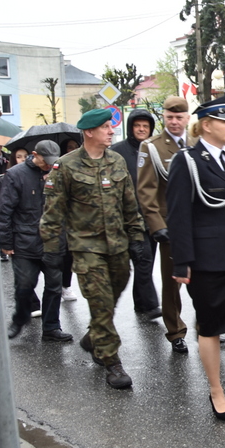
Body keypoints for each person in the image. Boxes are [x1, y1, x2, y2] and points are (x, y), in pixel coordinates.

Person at [167, 95, 225, 421]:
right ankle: (216, 389)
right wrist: (182, 262)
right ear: (207, 125)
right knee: (209, 328)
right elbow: (178, 215)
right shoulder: (188, 161)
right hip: (206, 260)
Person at [40, 108, 145, 389]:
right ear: (89, 132)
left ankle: (93, 337)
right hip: (87, 248)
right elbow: (52, 211)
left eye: (111, 126)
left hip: (118, 246)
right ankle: (112, 362)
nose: (111, 130)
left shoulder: (118, 161)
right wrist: (51, 248)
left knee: (112, 296)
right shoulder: (66, 166)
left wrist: (136, 237)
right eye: (105, 127)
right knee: (99, 301)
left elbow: (129, 204)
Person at [0, 140, 72, 342]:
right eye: (45, 161)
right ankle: (20, 319)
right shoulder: (15, 175)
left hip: (53, 241)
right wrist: (6, 243)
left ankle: (51, 327)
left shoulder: (59, 173)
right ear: (35, 155)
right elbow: (4, 211)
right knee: (24, 286)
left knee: (54, 286)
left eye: (52, 162)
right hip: (24, 241)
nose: (49, 165)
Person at [136, 96, 191, 353]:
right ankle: (176, 330)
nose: (175, 122)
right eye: (170, 117)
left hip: (198, 224)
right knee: (173, 282)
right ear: (164, 118)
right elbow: (146, 189)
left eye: (179, 117)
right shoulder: (152, 147)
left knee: (204, 277)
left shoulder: (197, 142)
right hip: (170, 224)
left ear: (187, 118)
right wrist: (156, 224)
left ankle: (208, 324)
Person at [110, 109, 160, 319]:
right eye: (137, 126)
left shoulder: (154, 149)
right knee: (143, 259)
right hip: (129, 219)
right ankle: (149, 305)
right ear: (130, 128)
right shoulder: (117, 151)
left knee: (146, 261)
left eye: (145, 126)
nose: (141, 129)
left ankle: (141, 303)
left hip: (152, 217)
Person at [58, 139, 80, 302]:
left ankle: (66, 285)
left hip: (73, 219)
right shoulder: (56, 166)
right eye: (69, 147)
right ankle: (54, 285)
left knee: (68, 255)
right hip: (57, 217)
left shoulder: (80, 165)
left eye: (75, 147)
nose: (72, 150)